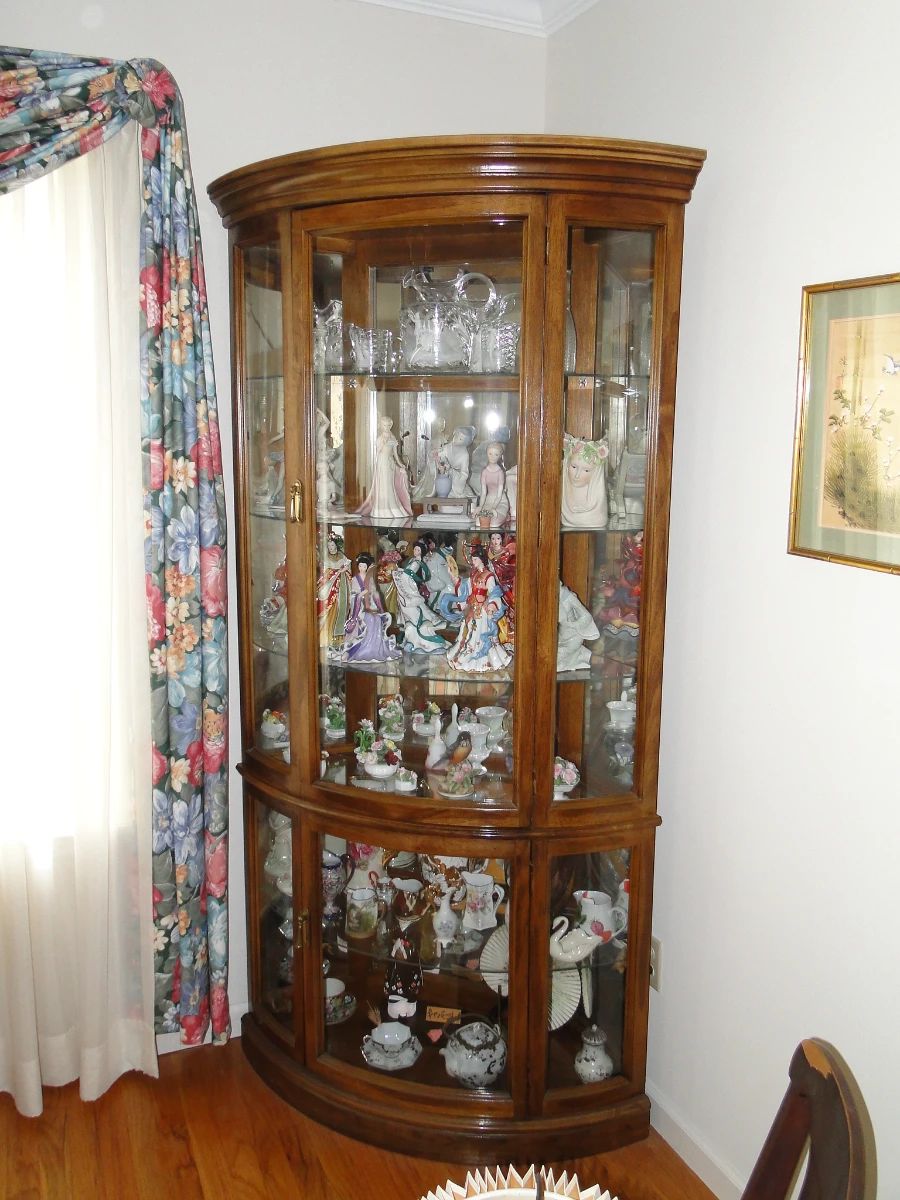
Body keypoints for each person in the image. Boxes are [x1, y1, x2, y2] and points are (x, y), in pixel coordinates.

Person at [446, 544, 512, 673]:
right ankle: (464, 652)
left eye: (475, 559)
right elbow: (467, 589)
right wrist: (455, 579)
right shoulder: (474, 574)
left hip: (482, 609)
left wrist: (492, 605)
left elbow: (494, 592)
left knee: (479, 632)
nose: (473, 562)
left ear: (481, 559)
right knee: (466, 627)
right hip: (472, 605)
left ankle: (480, 657)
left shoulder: (489, 576)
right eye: (472, 559)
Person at [342, 553, 401, 663]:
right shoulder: (355, 579)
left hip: (370, 607)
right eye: (360, 566)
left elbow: (374, 592)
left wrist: (376, 599)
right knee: (370, 620)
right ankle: (361, 648)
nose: (362, 568)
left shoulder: (370, 579)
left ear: (367, 567)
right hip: (359, 610)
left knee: (377, 619)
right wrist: (360, 595)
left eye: (364, 566)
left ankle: (375, 648)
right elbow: (353, 595)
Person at [356, 415, 413, 519]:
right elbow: (377, 453)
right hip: (382, 462)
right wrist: (382, 444)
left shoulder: (393, 437)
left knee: (390, 485)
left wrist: (400, 464)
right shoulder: (380, 438)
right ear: (381, 426)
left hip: (390, 463)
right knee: (383, 485)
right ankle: (382, 508)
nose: (386, 427)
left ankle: (393, 507)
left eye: (388, 425)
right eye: (384, 425)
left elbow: (395, 454)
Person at [561, 434, 609, 528]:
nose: (577, 475)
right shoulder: (564, 505)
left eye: (586, 470)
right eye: (574, 467)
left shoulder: (597, 516)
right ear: (567, 464)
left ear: (596, 473)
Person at [315, 535, 351, 649]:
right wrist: (334, 572)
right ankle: (326, 635)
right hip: (330, 586)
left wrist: (344, 569)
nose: (330, 547)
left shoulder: (342, 556)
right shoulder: (325, 558)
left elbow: (348, 567)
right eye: (329, 545)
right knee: (328, 608)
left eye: (332, 545)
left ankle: (339, 634)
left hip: (342, 586)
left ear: (337, 545)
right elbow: (325, 572)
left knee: (342, 606)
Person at [471, 441, 510, 527]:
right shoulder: (484, 472)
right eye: (490, 454)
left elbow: (499, 496)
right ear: (487, 454)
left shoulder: (500, 472)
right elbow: (484, 493)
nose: (492, 457)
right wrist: (480, 506)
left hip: (500, 501)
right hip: (488, 501)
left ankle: (505, 514)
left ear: (500, 456)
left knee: (494, 523)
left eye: (496, 454)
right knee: (478, 522)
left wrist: (493, 508)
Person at [487, 530, 516, 644]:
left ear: (502, 539)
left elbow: (511, 569)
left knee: (508, 606)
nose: (495, 541)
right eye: (493, 538)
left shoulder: (506, 553)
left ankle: (509, 631)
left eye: (498, 538)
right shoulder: (489, 552)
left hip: (504, 585)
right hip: (492, 585)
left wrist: (500, 569)